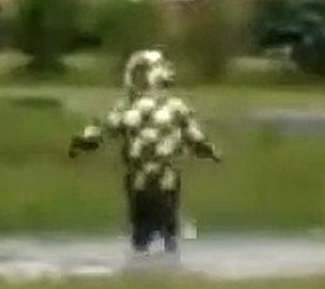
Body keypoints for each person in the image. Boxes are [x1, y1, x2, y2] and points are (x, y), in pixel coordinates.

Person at [67, 49, 220, 256]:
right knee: (159, 233)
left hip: (151, 180)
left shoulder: (135, 108)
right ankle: (163, 266)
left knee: (148, 235)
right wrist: (211, 152)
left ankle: (151, 267)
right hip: (154, 181)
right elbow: (196, 140)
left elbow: (99, 133)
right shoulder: (171, 107)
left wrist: (82, 143)